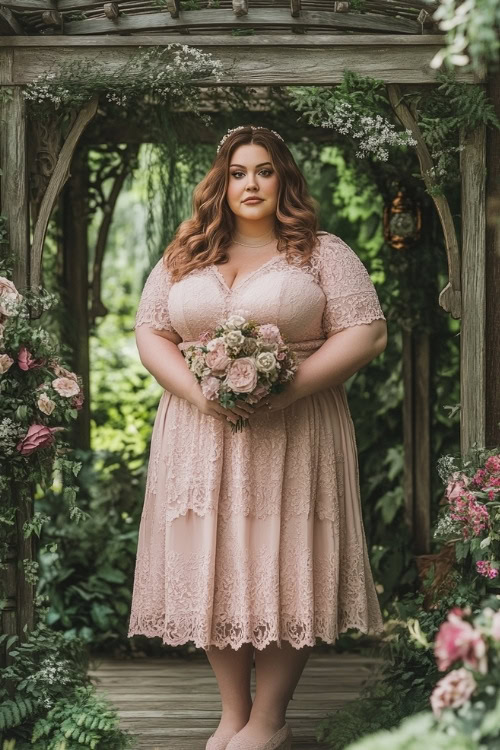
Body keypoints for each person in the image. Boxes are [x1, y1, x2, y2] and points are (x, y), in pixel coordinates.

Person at [128, 124, 388, 750]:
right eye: (239, 172)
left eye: (265, 171)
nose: (252, 183)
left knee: (284, 559)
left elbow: (367, 332)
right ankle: (232, 714)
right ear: (221, 183)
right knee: (214, 557)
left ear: (284, 180)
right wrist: (202, 393)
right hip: (198, 433)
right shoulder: (185, 254)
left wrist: (286, 387)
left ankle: (269, 719)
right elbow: (150, 332)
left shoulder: (322, 252)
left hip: (296, 430)